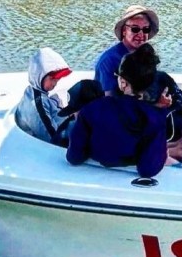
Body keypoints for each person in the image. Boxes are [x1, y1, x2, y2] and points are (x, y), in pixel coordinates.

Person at [67, 44, 167, 177]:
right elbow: (148, 169)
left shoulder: (92, 109)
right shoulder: (155, 119)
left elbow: (74, 157)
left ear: (123, 83)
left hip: (92, 176)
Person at [94, 5, 159, 96]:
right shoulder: (108, 61)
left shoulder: (146, 57)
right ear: (124, 30)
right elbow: (108, 100)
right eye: (135, 29)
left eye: (146, 29)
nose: (141, 34)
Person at [15, 47, 73, 146]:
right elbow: (53, 138)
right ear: (39, 76)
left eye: (57, 79)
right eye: (52, 79)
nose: (55, 83)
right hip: (44, 145)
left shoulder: (32, 90)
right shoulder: (37, 106)